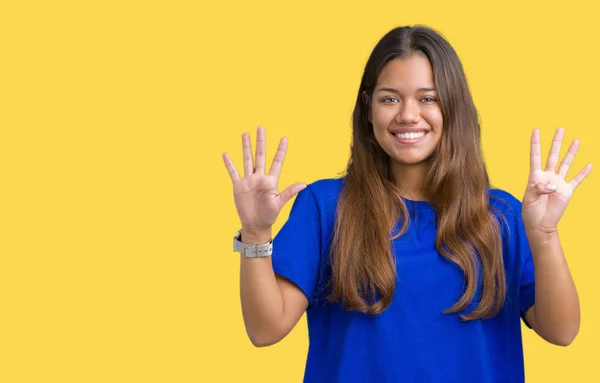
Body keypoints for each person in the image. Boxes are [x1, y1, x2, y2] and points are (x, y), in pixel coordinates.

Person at [221, 25, 592, 382]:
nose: (408, 114)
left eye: (427, 98)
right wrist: (255, 233)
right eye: (390, 98)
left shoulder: (502, 216)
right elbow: (265, 329)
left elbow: (561, 331)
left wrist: (543, 235)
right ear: (368, 108)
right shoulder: (325, 207)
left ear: (453, 107)